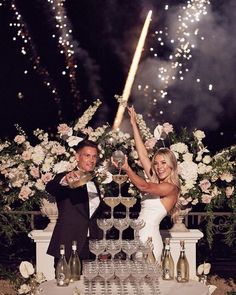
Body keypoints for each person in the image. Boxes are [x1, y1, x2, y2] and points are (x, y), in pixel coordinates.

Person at [117, 106, 180, 262]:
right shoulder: (156, 179)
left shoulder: (171, 188)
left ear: (172, 165)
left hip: (150, 242)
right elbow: (143, 154)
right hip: (138, 237)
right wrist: (133, 124)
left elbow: (144, 187)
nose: (159, 167)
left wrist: (127, 169)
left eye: (164, 163)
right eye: (157, 163)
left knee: (149, 284)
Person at [46, 139, 105, 268]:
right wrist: (66, 180)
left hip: (92, 246)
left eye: (94, 156)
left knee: (90, 287)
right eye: (87, 155)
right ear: (77, 157)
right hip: (68, 244)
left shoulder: (95, 182)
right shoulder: (66, 177)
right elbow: (51, 187)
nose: (91, 160)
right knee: (65, 286)